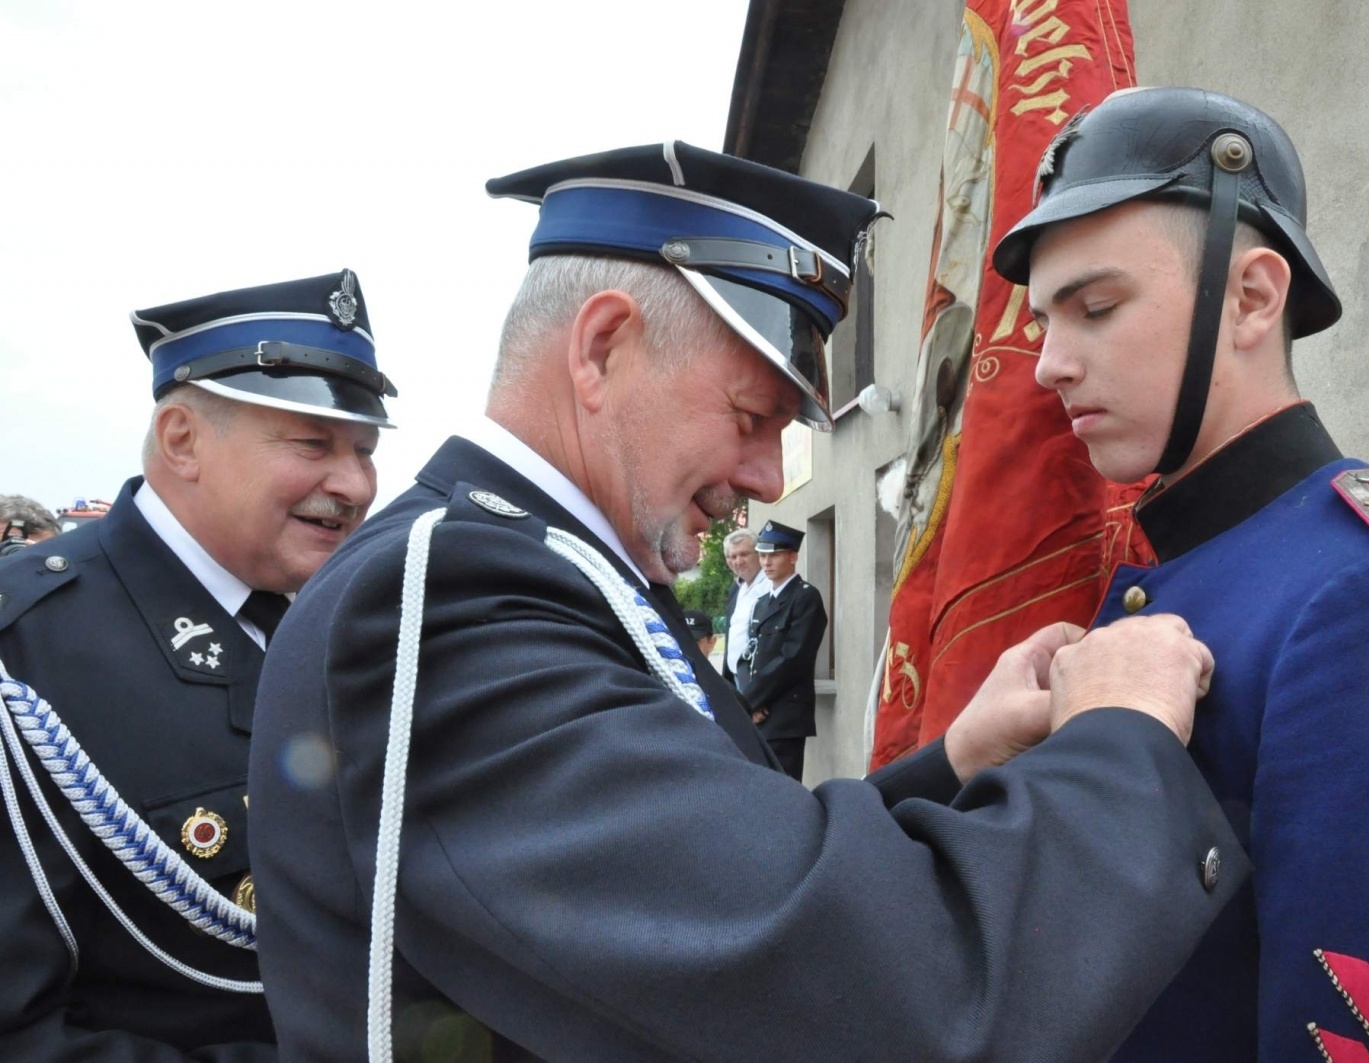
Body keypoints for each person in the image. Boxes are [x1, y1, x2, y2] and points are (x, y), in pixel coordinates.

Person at [248, 141, 1247, 1063]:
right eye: (750, 414)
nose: (769, 477)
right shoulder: (448, 599)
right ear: (602, 348)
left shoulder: (544, 571)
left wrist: (956, 762)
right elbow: (875, 994)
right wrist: (1121, 738)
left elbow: (722, 870)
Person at [992, 86, 1369, 1061]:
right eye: (1044, 322)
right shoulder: (1209, 569)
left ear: (1251, 298)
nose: (1048, 364)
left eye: (1096, 307)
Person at [0, 270, 395, 1061]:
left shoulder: (344, 622)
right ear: (182, 440)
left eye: (365, 450)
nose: (355, 484)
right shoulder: (27, 647)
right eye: (313, 443)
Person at [735, 520, 827, 780]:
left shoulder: (805, 597)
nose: (766, 563)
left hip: (785, 715)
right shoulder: (762, 602)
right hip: (758, 713)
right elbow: (749, 656)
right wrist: (749, 701)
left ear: (793, 557)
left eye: (774, 555)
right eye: (763, 555)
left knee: (783, 786)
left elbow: (793, 658)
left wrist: (751, 701)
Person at [719, 525, 768, 689]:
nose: (738, 561)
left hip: (760, 681)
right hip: (736, 677)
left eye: (744, 554)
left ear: (759, 554)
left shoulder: (772, 586)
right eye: (732, 556)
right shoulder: (737, 587)